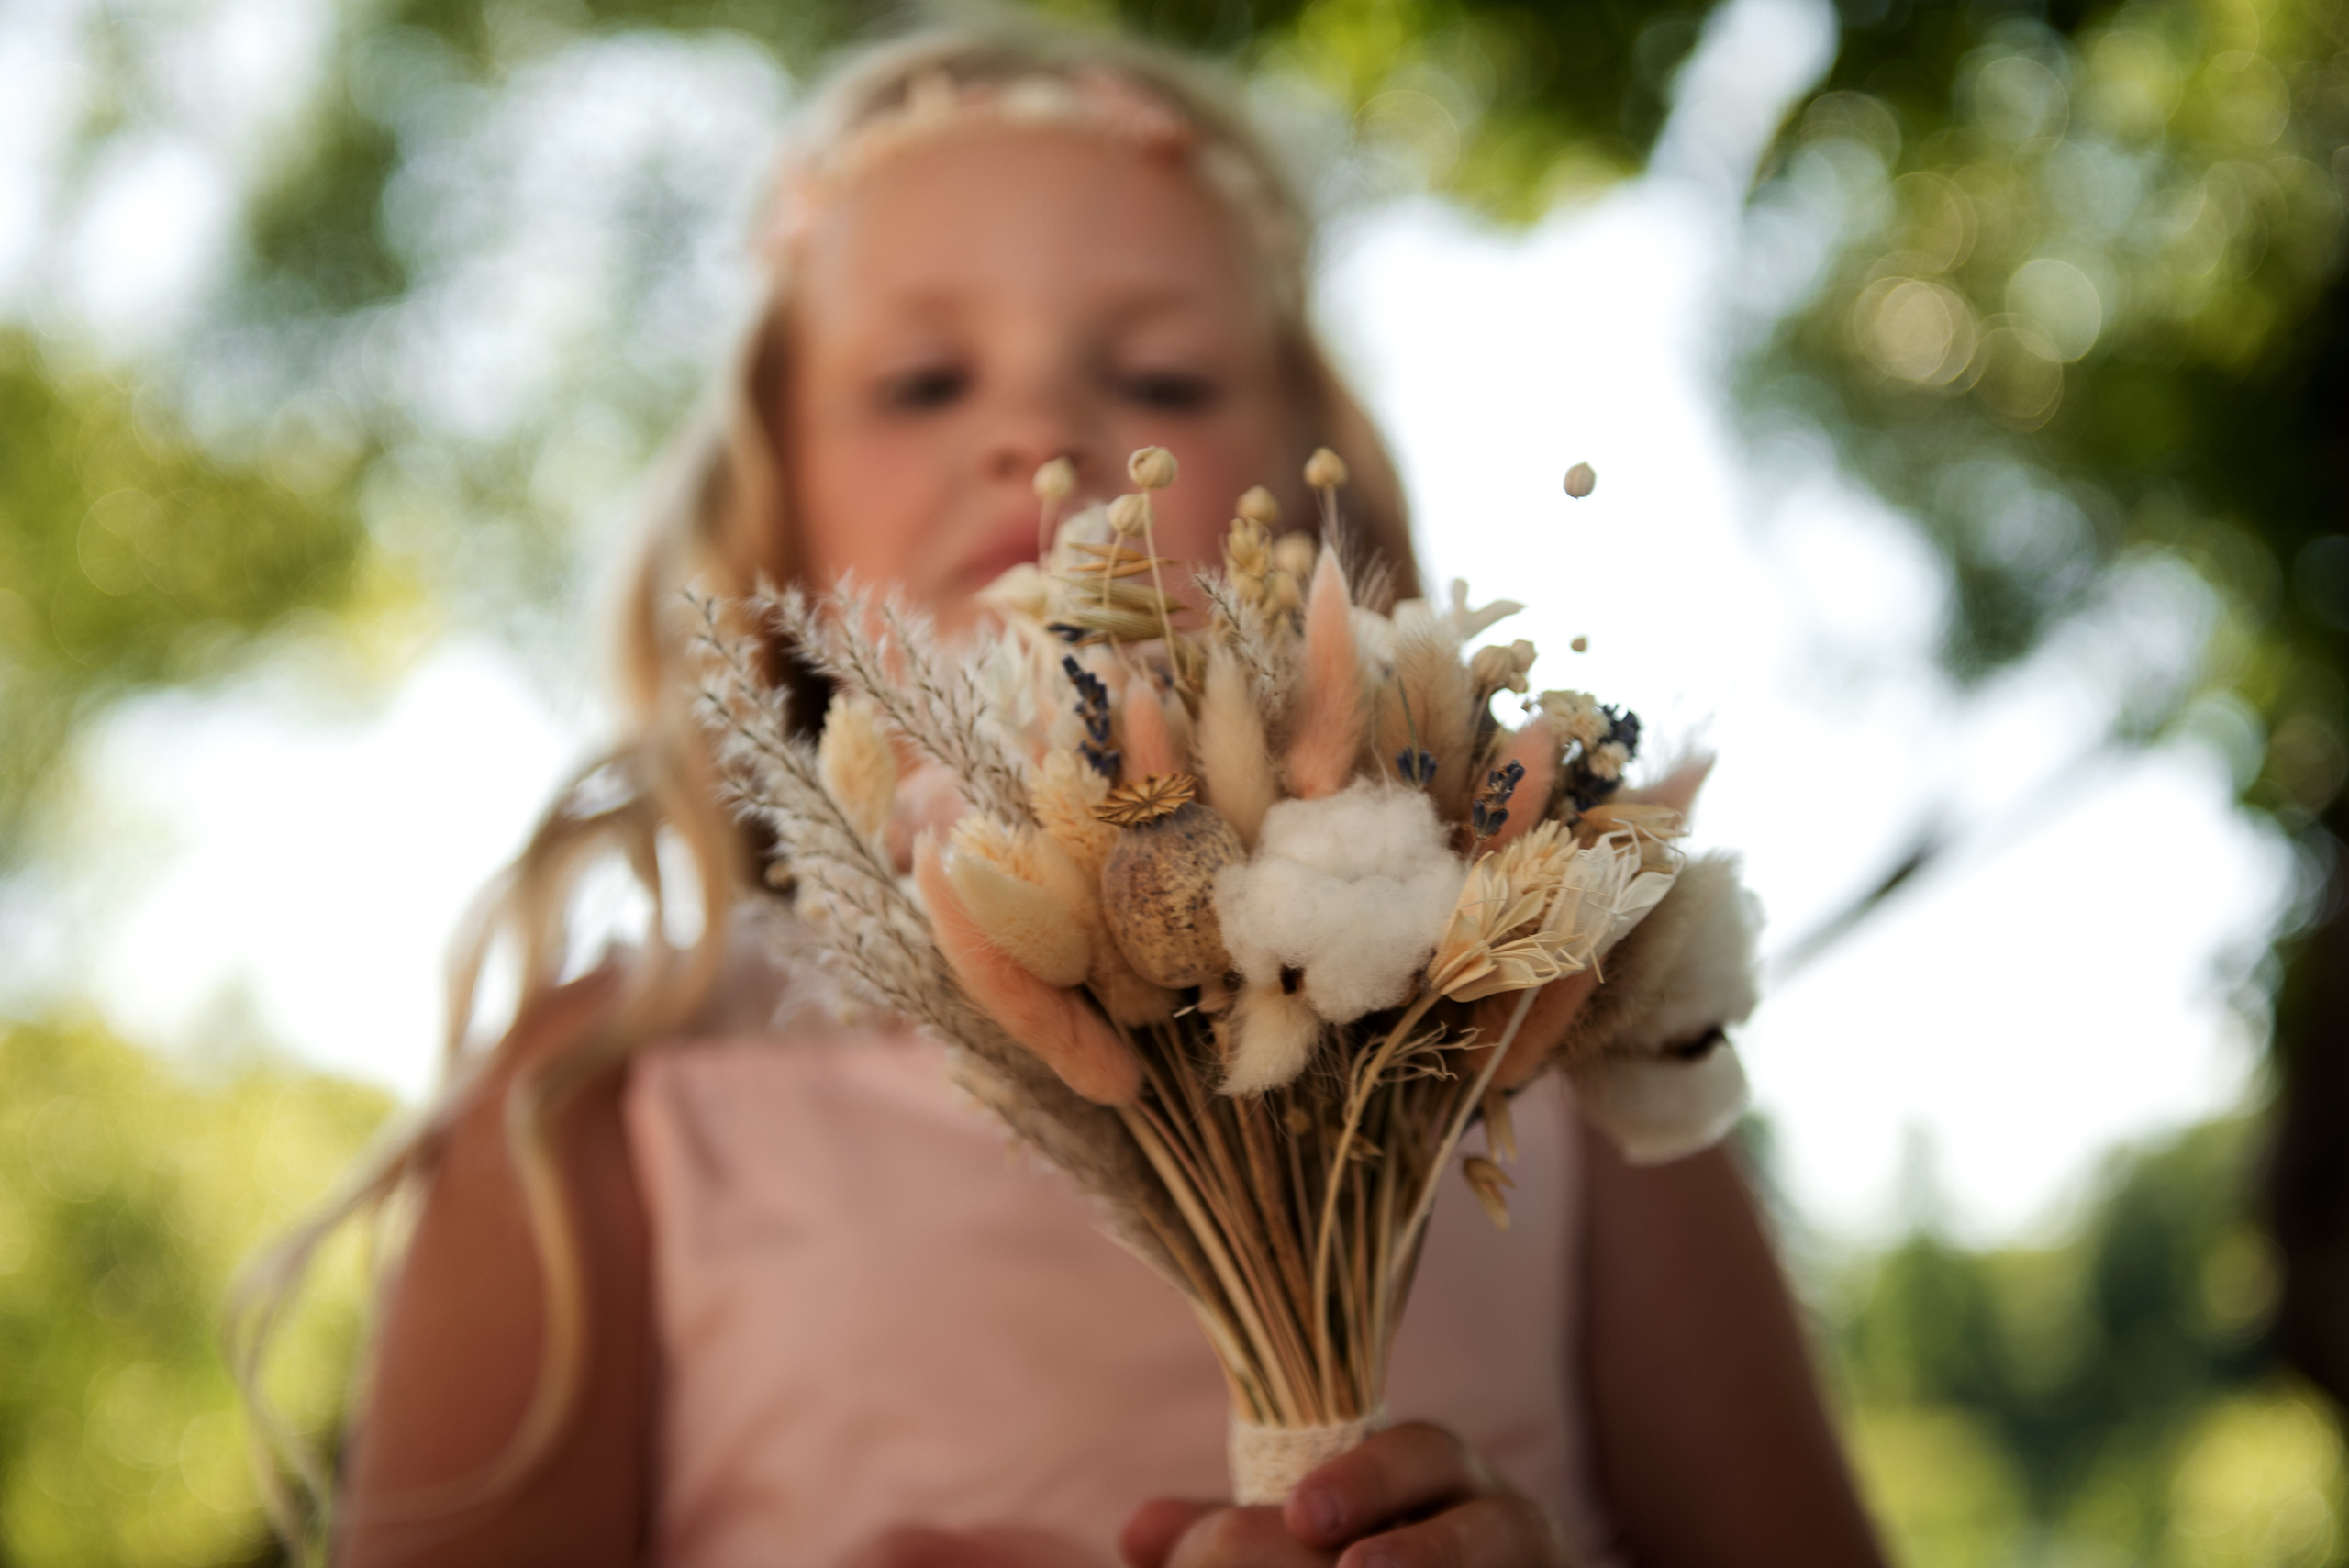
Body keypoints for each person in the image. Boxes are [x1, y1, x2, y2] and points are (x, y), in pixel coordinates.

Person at [240, 21, 1888, 1568]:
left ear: (1316, 513)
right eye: (922, 384)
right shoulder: (599, 1101)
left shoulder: (1541, 1040)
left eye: (1165, 379)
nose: (1041, 426)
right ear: (782, 522)